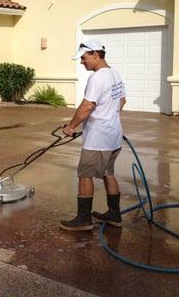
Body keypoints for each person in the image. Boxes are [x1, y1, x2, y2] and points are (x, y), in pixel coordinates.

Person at [60, 40, 126, 231]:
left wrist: (71, 126)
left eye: (83, 57)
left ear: (95, 55)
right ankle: (114, 215)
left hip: (98, 139)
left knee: (85, 175)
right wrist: (108, 116)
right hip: (113, 135)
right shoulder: (114, 74)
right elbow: (121, 101)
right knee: (108, 173)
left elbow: (88, 106)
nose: (81, 62)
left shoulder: (97, 78)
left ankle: (83, 220)